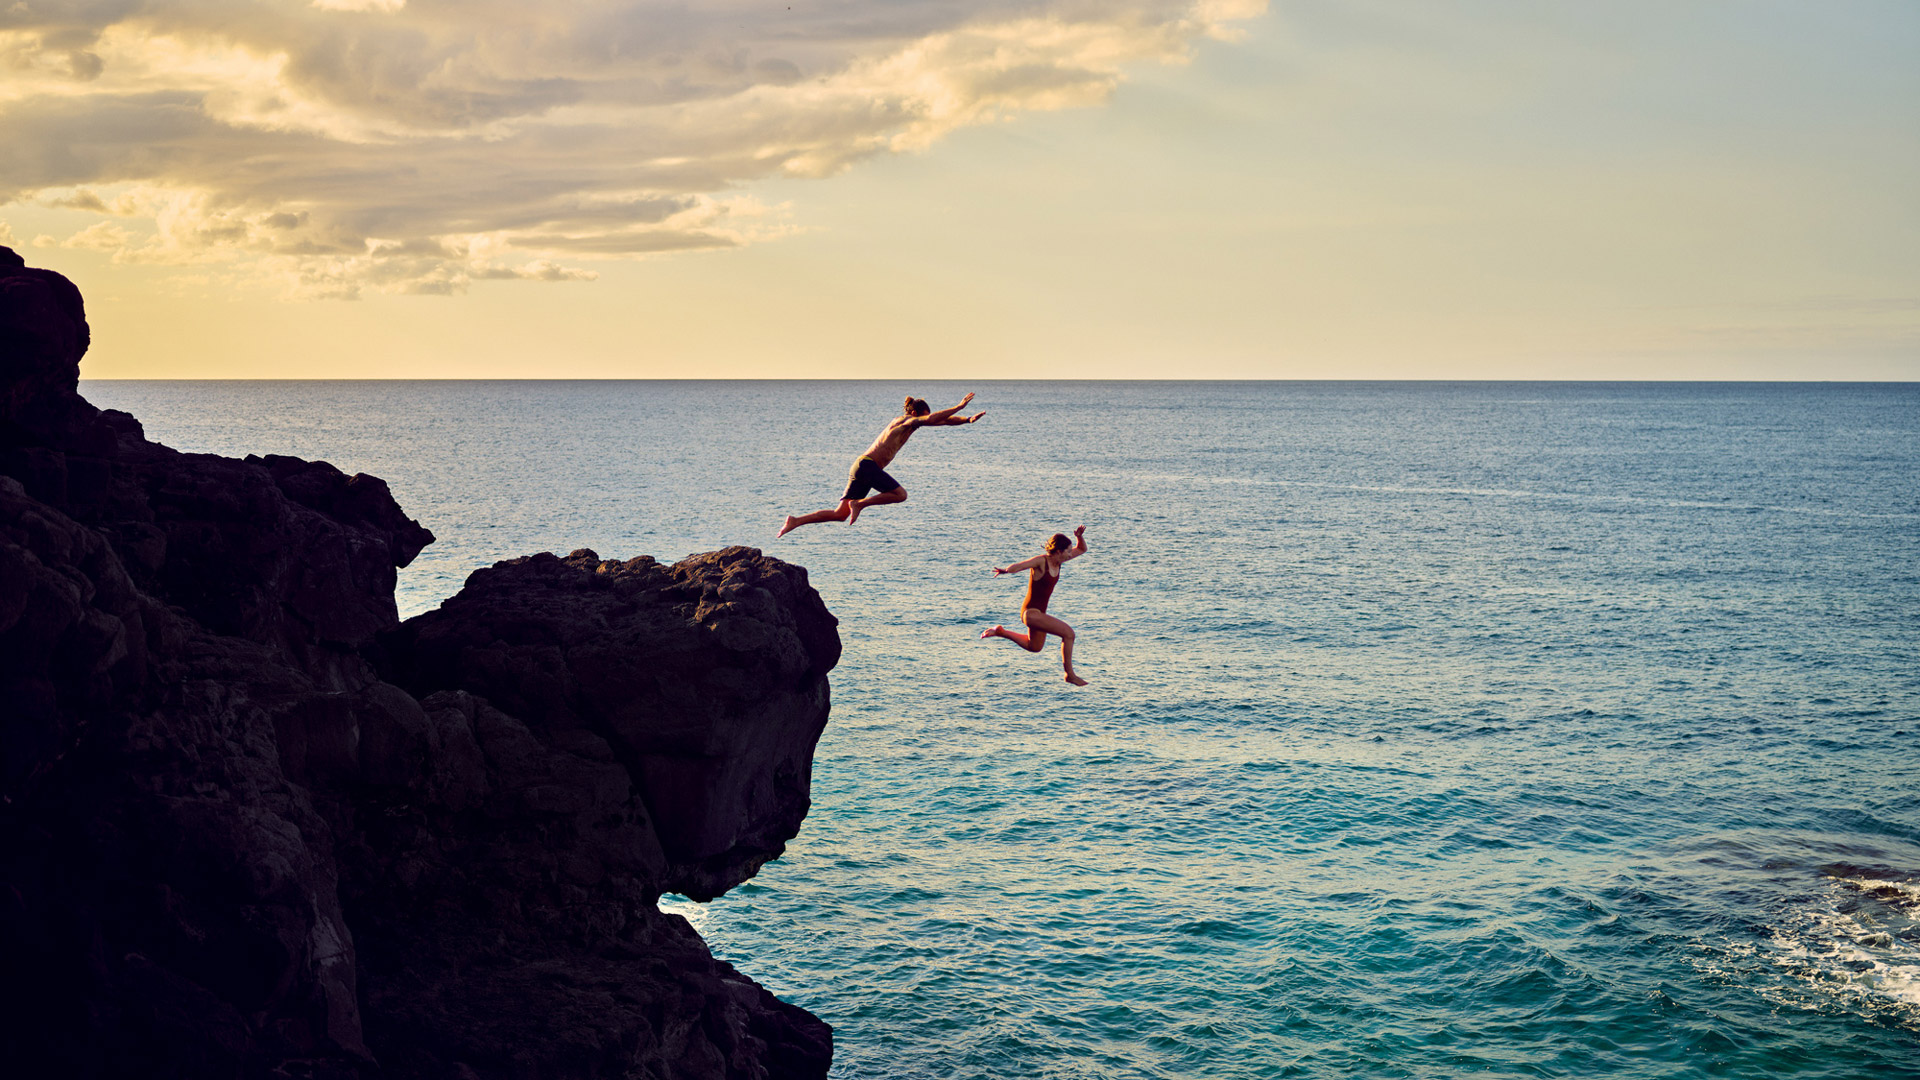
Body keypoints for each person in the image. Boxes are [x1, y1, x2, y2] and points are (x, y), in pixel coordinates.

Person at [777, 393, 985, 536]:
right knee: (900, 495)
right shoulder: (906, 422)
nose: (925, 422)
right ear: (914, 413)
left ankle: (795, 521)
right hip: (867, 466)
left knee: (840, 514)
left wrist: (966, 420)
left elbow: (943, 421)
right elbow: (932, 419)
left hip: (861, 466)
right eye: (923, 418)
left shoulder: (910, 423)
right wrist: (959, 406)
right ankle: (860, 504)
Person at [981, 526, 1090, 686]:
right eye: (1067, 551)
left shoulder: (1059, 561)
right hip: (1030, 613)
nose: (1069, 554)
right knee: (1069, 634)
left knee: (1035, 647)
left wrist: (1079, 536)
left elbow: (1081, 549)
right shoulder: (1042, 561)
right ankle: (1069, 675)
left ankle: (1001, 632)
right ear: (1058, 551)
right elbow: (1020, 566)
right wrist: (1005, 570)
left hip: (1040, 614)